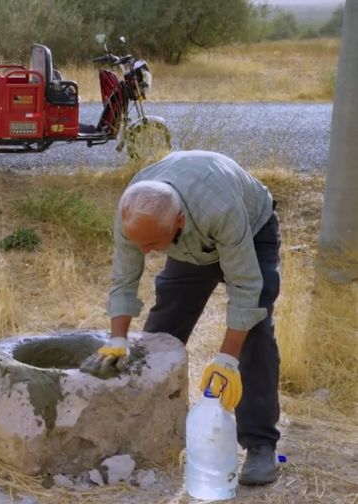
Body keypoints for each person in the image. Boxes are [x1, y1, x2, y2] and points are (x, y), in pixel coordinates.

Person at [83, 150, 282, 486]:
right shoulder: (134, 211)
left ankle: (261, 444)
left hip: (250, 227)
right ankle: (145, 432)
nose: (145, 252)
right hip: (191, 239)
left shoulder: (222, 210)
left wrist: (226, 360)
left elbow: (246, 290)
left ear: (177, 223)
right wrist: (118, 339)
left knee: (255, 332)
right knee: (160, 335)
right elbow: (124, 278)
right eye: (139, 243)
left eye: (151, 244)